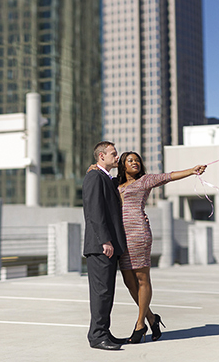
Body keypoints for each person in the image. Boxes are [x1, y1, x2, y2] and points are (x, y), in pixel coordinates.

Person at [115, 151, 206, 343]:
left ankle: (140, 324)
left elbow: (168, 176)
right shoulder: (115, 184)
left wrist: (192, 170)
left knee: (141, 278)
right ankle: (151, 318)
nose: (135, 163)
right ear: (122, 165)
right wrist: (92, 169)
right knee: (128, 280)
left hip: (138, 233)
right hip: (121, 237)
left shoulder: (145, 181)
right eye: (130, 160)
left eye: (137, 160)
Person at [82, 141, 127, 351]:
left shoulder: (108, 178)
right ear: (101, 156)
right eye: (113, 154)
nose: (116, 157)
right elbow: (94, 211)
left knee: (107, 292)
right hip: (101, 246)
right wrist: (104, 240)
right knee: (101, 292)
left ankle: (104, 332)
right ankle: (97, 336)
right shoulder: (94, 177)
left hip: (109, 245)